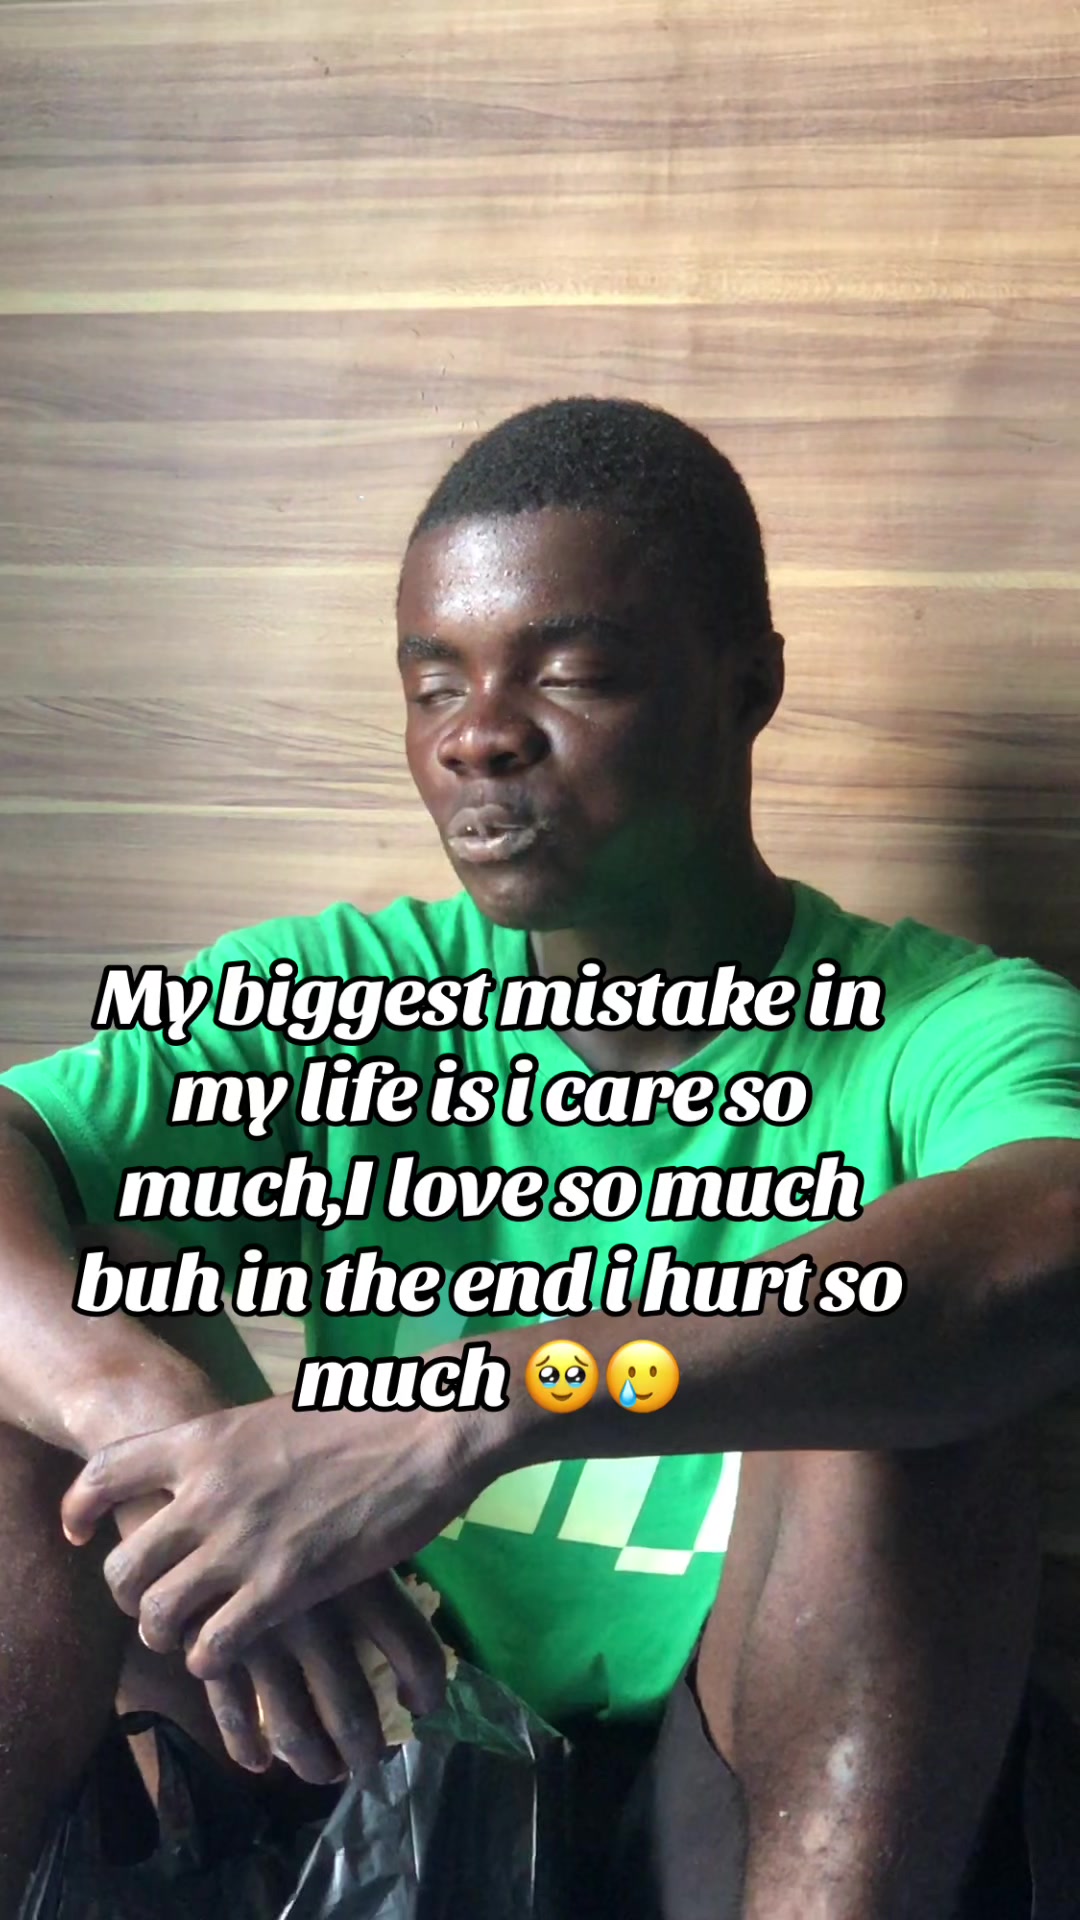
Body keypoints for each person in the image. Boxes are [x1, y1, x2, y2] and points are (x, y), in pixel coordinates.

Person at [2, 396, 1080, 1919]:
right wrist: (139, 1410)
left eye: (567, 673)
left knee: (909, 1390)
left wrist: (482, 1405)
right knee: (39, 1353)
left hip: (739, 1777)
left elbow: (1046, 1242)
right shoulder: (341, 993)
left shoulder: (944, 1023)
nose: (477, 735)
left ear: (749, 686)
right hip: (362, 1729)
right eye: (433, 685)